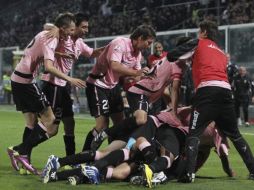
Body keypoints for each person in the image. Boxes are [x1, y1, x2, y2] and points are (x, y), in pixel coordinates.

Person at [167, 20, 254, 183]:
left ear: (204, 32)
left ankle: (189, 174)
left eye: (199, 31)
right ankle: (253, 169)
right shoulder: (221, 53)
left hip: (207, 92)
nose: (197, 34)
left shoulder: (198, 43)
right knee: (235, 135)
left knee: (193, 134)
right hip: (226, 93)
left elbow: (172, 55)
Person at [7, 12, 86, 175]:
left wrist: (62, 53)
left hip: (18, 79)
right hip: (27, 81)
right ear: (63, 29)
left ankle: (23, 160)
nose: (72, 33)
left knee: (31, 123)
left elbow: (47, 30)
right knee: (49, 120)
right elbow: (49, 67)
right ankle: (19, 150)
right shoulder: (53, 38)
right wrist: (70, 79)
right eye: (71, 30)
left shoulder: (46, 33)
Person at [82, 25, 156, 151]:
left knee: (120, 123)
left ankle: (110, 157)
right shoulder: (120, 43)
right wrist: (136, 73)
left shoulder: (137, 54)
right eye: (148, 42)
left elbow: (133, 76)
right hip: (97, 85)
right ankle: (83, 158)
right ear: (140, 38)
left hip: (113, 86)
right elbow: (115, 66)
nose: (148, 46)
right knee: (102, 125)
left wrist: (148, 77)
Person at [42, 13, 105, 157]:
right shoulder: (63, 36)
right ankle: (23, 150)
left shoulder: (80, 43)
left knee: (70, 123)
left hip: (64, 85)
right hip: (53, 83)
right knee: (51, 127)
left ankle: (69, 159)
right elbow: (47, 34)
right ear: (73, 26)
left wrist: (109, 47)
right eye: (83, 27)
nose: (86, 30)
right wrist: (54, 29)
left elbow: (92, 53)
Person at [147, 41, 168, 114]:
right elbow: (149, 70)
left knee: (167, 102)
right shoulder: (150, 57)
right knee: (157, 104)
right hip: (156, 84)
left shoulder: (167, 55)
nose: (158, 49)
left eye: (159, 47)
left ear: (162, 48)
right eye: (156, 48)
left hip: (166, 82)